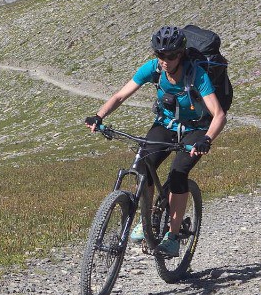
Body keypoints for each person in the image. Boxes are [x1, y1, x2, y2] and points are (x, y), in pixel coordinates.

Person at [84, 26, 226, 256]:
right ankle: (148, 220)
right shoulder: (154, 69)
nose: (164, 61)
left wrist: (207, 139)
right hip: (166, 124)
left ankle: (172, 236)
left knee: (178, 172)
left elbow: (219, 114)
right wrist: (99, 116)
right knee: (143, 166)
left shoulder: (197, 75)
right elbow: (121, 95)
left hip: (197, 128)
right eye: (160, 55)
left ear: (180, 54)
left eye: (170, 56)